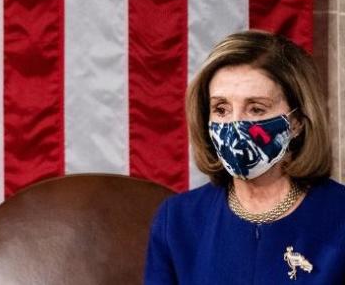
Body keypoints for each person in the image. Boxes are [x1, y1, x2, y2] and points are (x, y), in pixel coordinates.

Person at [145, 30, 345, 284]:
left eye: (256, 108)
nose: (235, 124)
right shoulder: (177, 220)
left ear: (296, 123)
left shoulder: (339, 217)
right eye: (221, 109)